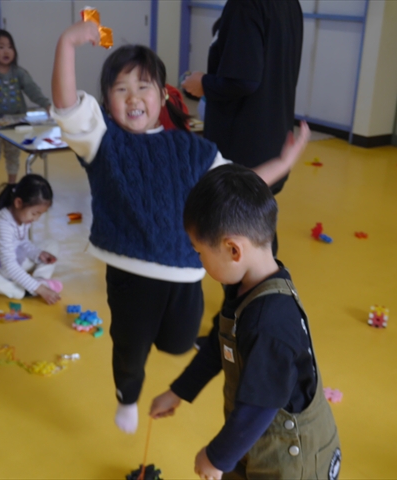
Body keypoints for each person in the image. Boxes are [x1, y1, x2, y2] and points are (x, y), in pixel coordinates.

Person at [51, 19, 310, 434]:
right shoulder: (102, 139)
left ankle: (163, 347)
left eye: (144, 87)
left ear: (163, 95)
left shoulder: (191, 148)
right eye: (120, 89)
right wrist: (67, 43)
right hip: (130, 272)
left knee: (177, 342)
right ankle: (127, 397)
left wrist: (282, 163)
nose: (133, 97)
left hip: (185, 273)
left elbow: (235, 183)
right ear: (106, 100)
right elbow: (66, 106)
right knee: (130, 351)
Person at [150, 164, 341, 480]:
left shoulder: (269, 323)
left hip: (293, 460)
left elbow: (259, 407)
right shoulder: (243, 289)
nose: (200, 261)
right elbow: (220, 345)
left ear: (233, 249)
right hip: (255, 440)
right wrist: (179, 391)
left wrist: (216, 457)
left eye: (200, 253)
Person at [181, 0, 303, 256]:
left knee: (237, 231)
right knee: (258, 228)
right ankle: (266, 279)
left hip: (244, 140)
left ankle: (252, 282)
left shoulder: (246, 5)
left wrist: (203, 83)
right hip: (273, 135)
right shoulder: (290, 4)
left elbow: (242, 80)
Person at [0, 174, 62, 304]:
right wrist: (40, 290)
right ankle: (22, 292)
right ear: (18, 203)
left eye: (40, 214)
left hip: (12, 261)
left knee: (51, 245)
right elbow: (9, 266)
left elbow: (23, 242)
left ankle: (40, 280)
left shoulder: (23, 216)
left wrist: (37, 253)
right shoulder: (2, 225)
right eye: (34, 213)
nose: (36, 219)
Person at [0, 29, 52, 194]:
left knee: (13, 154)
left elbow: (33, 90)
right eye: (1, 47)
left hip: (17, 122)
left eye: (10, 47)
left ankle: (12, 186)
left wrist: (46, 104)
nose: (6, 51)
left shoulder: (18, 72)